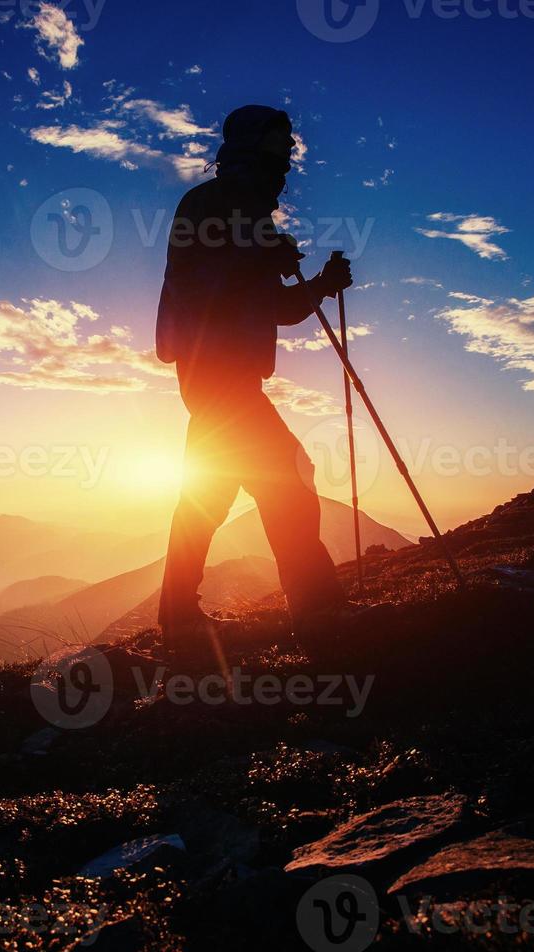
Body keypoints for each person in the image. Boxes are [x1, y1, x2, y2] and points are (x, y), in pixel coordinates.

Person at [155, 104, 354, 649]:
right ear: (253, 151)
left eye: (287, 151)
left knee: (207, 496)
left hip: (215, 379)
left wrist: (305, 276)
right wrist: (297, 272)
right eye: (278, 150)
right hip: (223, 380)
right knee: (287, 481)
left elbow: (265, 301)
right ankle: (316, 609)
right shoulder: (226, 209)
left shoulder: (225, 207)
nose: (286, 163)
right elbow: (254, 299)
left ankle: (178, 617)